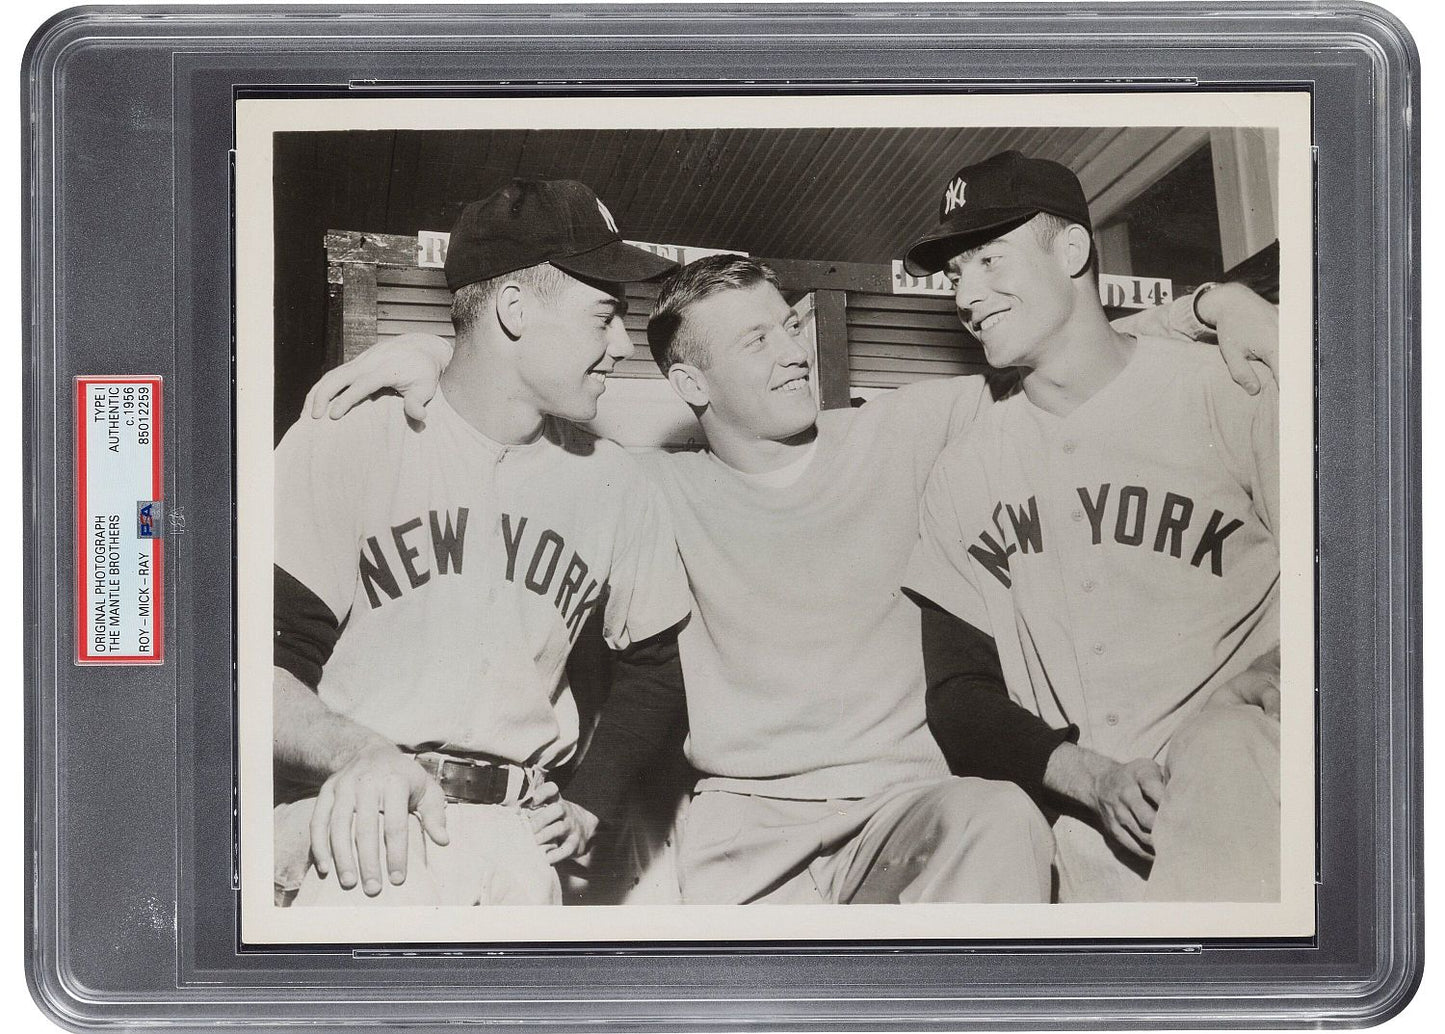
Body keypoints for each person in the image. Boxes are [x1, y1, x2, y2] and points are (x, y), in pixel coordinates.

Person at [309, 194, 1278, 906]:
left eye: (787, 327)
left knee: (1000, 818)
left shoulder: (899, 433)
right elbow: (505, 392)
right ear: (689, 382)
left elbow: (1060, 346)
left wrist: (1209, 309)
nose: (786, 353)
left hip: (905, 807)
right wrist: (426, 355)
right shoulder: (644, 486)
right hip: (745, 834)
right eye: (750, 342)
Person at [271, 178, 692, 907]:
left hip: (516, 839)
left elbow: (656, 666)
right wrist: (355, 752)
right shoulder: (351, 436)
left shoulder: (616, 482)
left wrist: (589, 800)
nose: (624, 346)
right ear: (515, 309)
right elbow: (251, 667)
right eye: (605, 317)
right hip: (366, 831)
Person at [899, 150, 1281, 902]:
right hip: (1092, 842)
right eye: (954, 275)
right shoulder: (963, 469)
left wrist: (1270, 677)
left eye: (987, 259)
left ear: (1071, 249)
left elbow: (1368, 590)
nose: (966, 296)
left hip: (1258, 809)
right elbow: (959, 696)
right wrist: (1094, 781)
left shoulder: (1227, 389)